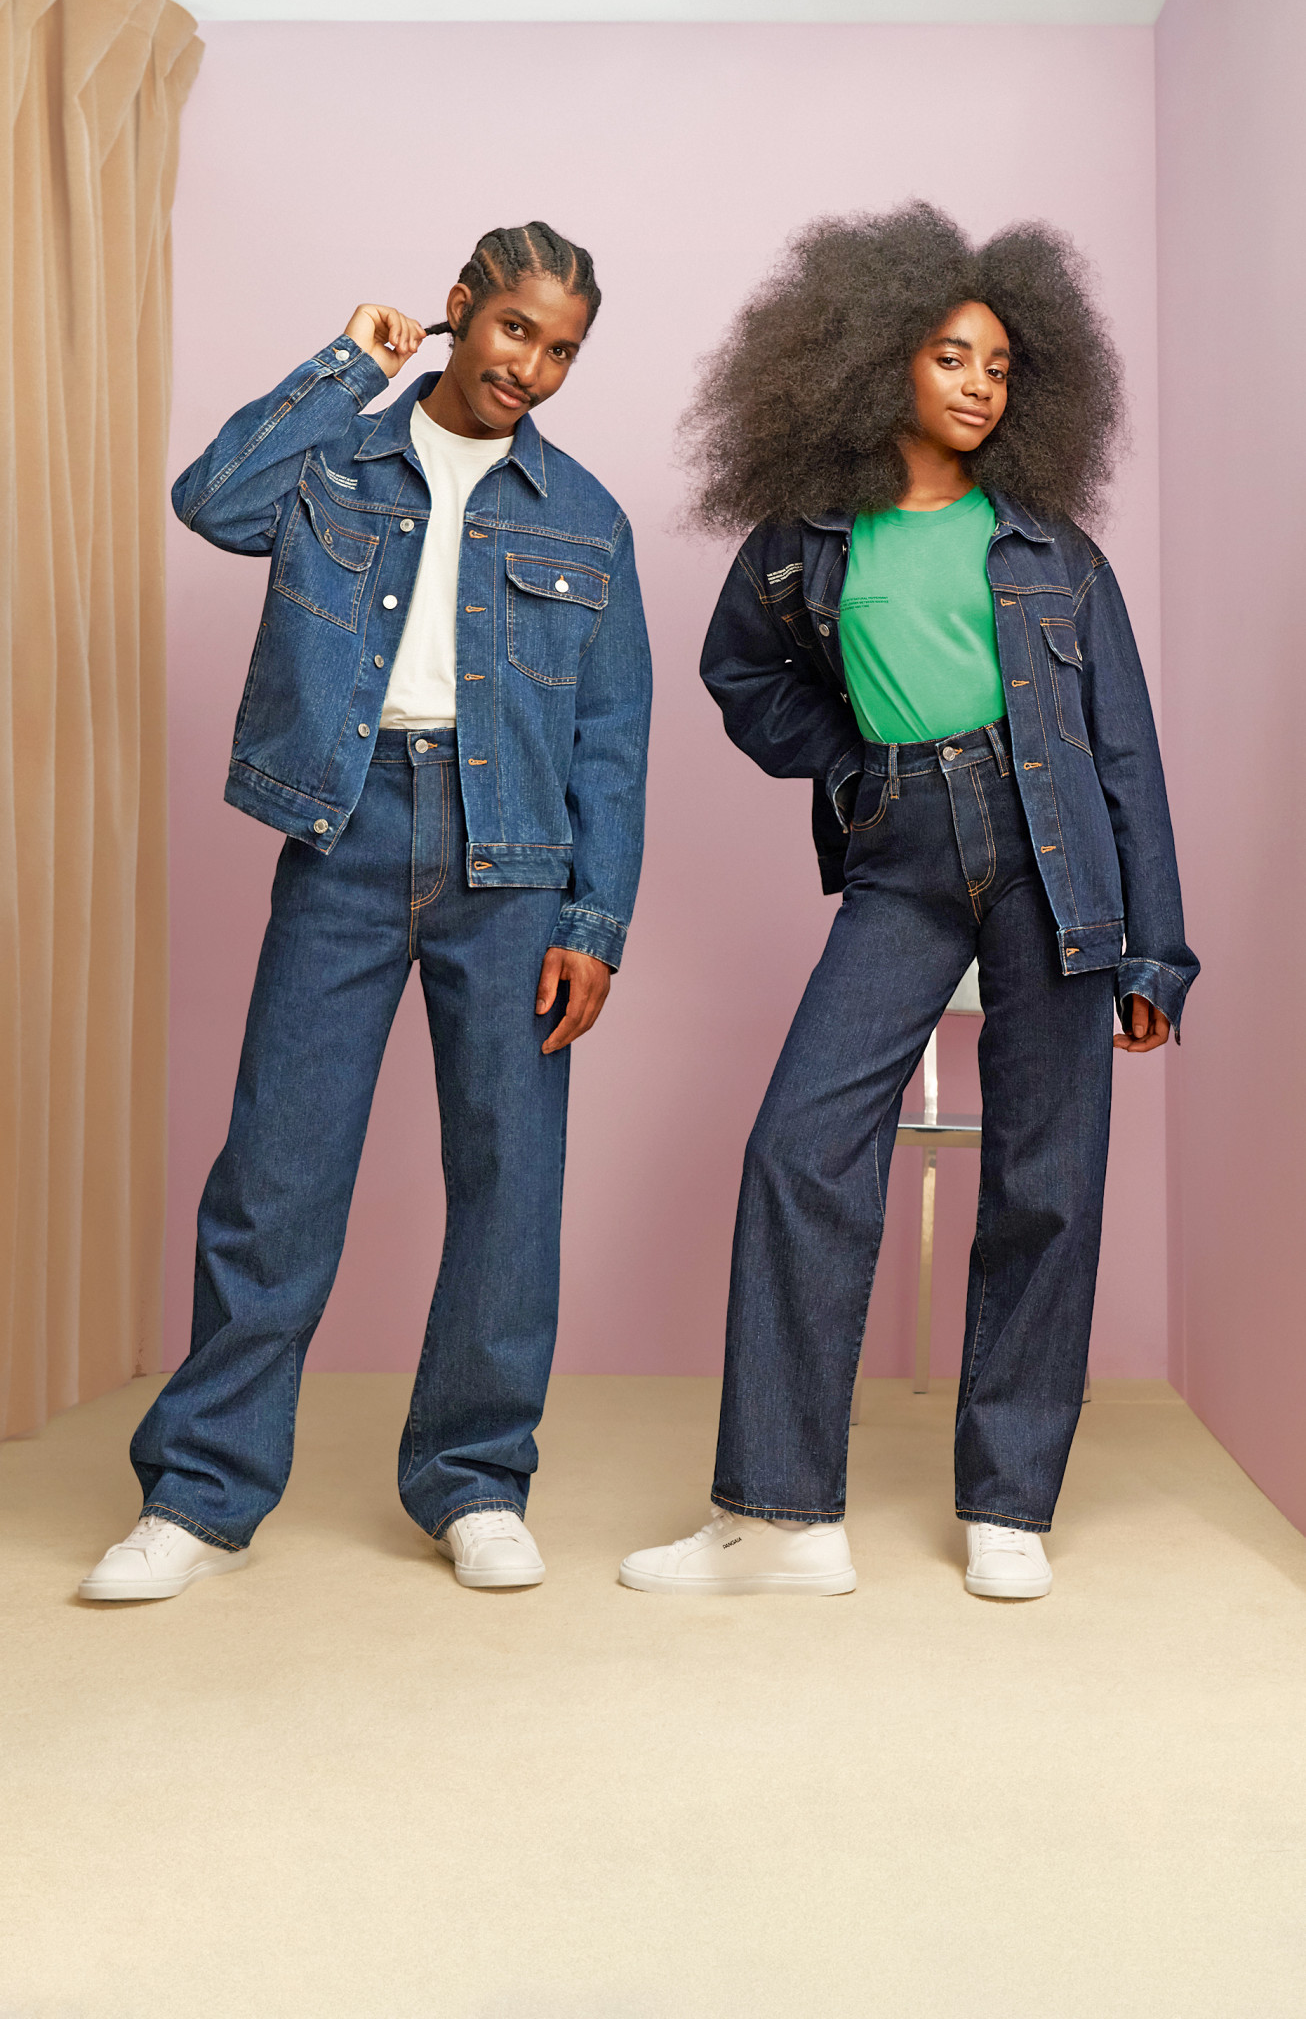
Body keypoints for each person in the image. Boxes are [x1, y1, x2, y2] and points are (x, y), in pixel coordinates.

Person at [620, 202, 1196, 1601]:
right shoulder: (803, 540)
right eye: (950, 357)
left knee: (1045, 1178)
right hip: (901, 849)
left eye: (998, 365)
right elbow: (741, 674)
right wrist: (848, 767)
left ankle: (1007, 1505)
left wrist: (1156, 952)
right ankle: (780, 1518)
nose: (978, 386)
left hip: (1054, 853)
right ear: (876, 357)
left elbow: (1123, 751)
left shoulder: (1054, 550)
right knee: (799, 1145)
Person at [81, 222, 652, 1602]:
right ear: (461, 308)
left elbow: (613, 741)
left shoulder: (585, 517)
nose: (532, 368)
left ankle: (475, 1480)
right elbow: (213, 499)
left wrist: (594, 923)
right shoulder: (337, 459)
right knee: (276, 1174)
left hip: (513, 857)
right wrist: (349, 365)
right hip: (344, 830)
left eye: (562, 352)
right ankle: (200, 1493)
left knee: (509, 1180)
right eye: (513, 330)